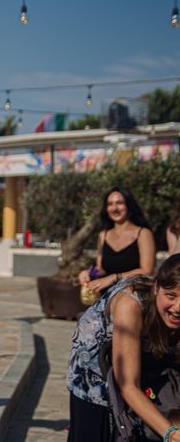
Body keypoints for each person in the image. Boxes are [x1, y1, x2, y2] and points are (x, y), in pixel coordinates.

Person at [68, 254, 180, 442]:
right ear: (156, 289)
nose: (178, 307)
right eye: (171, 296)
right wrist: (171, 434)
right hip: (96, 371)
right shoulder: (130, 305)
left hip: (149, 357)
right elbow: (128, 385)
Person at [78, 186, 155, 296]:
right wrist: (88, 273)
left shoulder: (143, 233)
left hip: (134, 294)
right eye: (110, 204)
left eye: (119, 203)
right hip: (107, 296)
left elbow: (147, 270)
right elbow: (101, 268)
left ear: (129, 205)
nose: (114, 208)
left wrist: (114, 278)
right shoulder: (103, 235)